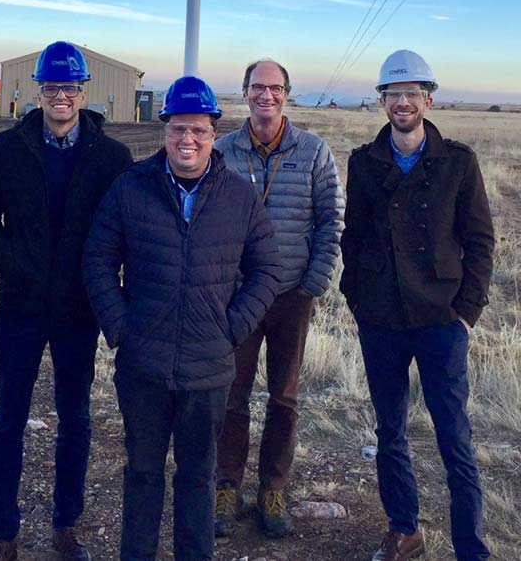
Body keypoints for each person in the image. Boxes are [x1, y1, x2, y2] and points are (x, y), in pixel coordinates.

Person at [84, 75, 283, 561]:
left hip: (208, 370)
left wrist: (231, 330)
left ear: (214, 133)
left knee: (198, 477)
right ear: (165, 131)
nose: (187, 139)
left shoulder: (238, 197)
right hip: (143, 366)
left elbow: (268, 269)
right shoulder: (131, 187)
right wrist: (122, 329)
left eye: (197, 129)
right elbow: (97, 260)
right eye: (177, 129)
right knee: (143, 474)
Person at [0, 41, 132, 561]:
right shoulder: (7, 149)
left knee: (75, 418)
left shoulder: (111, 156)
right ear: (37, 91)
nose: (61, 96)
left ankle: (67, 525)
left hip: (77, 310)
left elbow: (122, 230)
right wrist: (14, 265)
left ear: (84, 92)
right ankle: (4, 533)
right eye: (51, 87)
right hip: (20, 305)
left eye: (70, 87)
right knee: (7, 418)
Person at [340, 50, 494, 561]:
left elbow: (480, 243)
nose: (402, 102)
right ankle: (404, 529)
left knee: (454, 437)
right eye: (392, 94)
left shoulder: (458, 163)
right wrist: (357, 297)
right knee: (391, 432)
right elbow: (354, 237)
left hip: (440, 320)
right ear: (381, 101)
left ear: (428, 99)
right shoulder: (364, 163)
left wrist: (466, 314)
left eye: (411, 93)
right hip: (381, 320)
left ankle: (471, 547)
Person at [214, 58, 344, 538]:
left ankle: (274, 486)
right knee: (232, 396)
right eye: (256, 87)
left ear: (287, 93)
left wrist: (314, 280)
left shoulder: (314, 151)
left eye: (274, 88)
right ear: (244, 92)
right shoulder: (222, 150)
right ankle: (227, 484)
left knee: (284, 398)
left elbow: (331, 219)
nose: (265, 95)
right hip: (238, 297)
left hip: (292, 294)